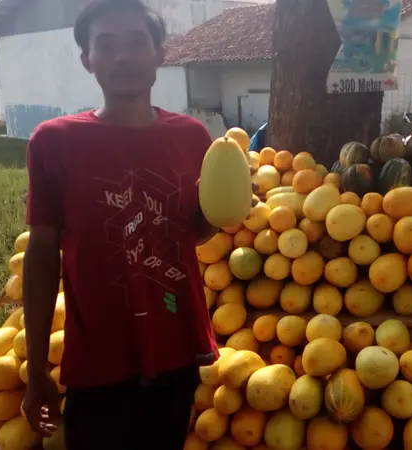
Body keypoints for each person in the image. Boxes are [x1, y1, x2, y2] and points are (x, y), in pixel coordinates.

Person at [20, 1, 252, 448]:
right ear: (88, 60)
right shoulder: (55, 142)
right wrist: (36, 368)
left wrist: (225, 209)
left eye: (135, 42)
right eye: (105, 45)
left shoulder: (192, 138)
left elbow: (189, 232)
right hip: (98, 358)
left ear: (159, 54)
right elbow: (42, 252)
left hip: (175, 350)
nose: (122, 56)